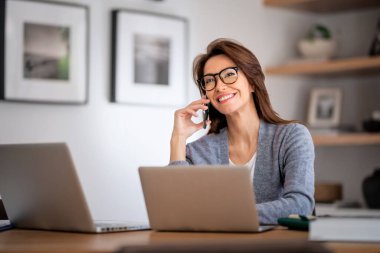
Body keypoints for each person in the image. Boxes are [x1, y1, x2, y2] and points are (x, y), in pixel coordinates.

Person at [169, 38, 315, 225]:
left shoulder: (292, 136)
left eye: (229, 75)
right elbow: (176, 210)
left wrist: (227, 216)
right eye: (209, 81)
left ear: (253, 82)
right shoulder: (198, 152)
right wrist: (178, 138)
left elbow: (300, 205)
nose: (220, 86)